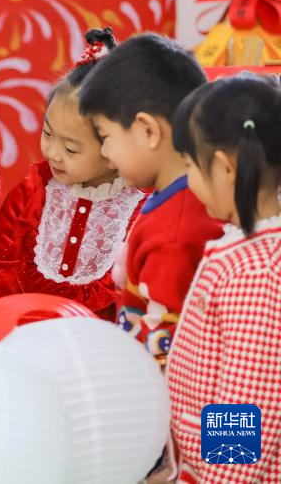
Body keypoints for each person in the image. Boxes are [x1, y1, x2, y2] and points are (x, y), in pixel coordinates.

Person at [0, 29, 146, 319]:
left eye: (71, 148)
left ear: (117, 149)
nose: (52, 152)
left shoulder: (140, 212)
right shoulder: (31, 195)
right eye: (48, 134)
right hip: (24, 335)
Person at [77, 33, 222, 365]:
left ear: (148, 130)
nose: (105, 153)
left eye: (105, 136)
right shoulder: (173, 198)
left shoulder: (177, 230)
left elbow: (168, 347)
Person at [167, 74, 281, 483]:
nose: (188, 181)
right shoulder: (247, 253)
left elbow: (243, 413)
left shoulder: (255, 273)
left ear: (224, 167)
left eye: (189, 166)